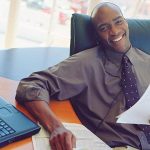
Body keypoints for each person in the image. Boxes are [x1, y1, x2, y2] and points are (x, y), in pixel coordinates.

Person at [16, 2, 150, 150]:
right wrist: (56, 127)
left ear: (125, 22)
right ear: (97, 35)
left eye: (118, 21)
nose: (114, 31)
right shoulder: (86, 62)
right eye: (104, 28)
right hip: (120, 145)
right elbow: (31, 85)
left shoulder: (147, 62)